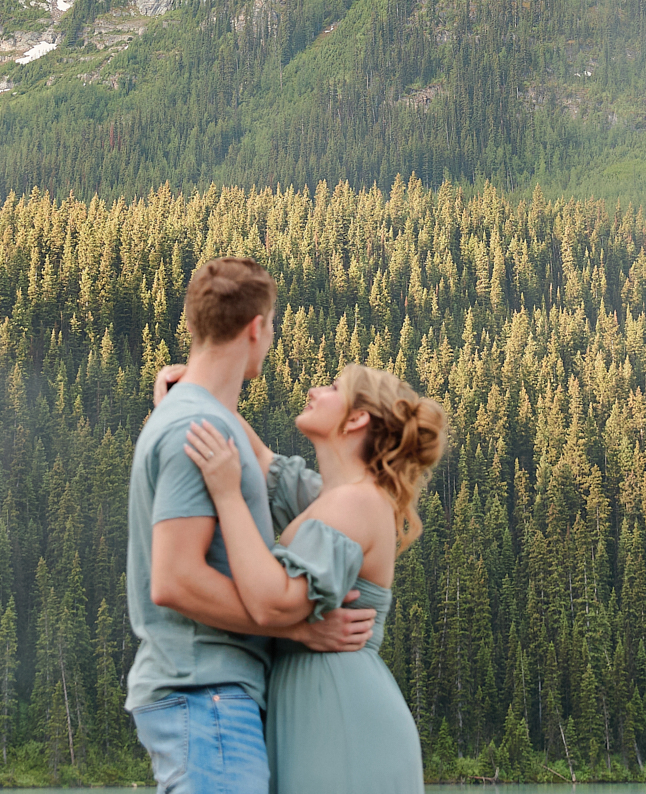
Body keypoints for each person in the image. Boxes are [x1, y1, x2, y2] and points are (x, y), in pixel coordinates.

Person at [126, 258, 377, 794]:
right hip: (205, 691)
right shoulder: (199, 428)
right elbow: (175, 580)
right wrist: (296, 627)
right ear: (256, 329)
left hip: (212, 693)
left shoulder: (203, 420)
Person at [182, 362, 448, 794]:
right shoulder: (331, 498)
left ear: (357, 418)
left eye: (331, 387)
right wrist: (192, 386)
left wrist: (227, 493)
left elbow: (270, 602)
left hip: (339, 718)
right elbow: (262, 458)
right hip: (318, 708)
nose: (313, 389)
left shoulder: (355, 505)